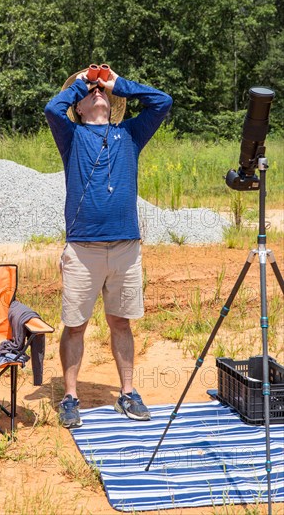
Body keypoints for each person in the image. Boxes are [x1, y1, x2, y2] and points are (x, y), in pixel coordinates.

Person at [45, 66, 172, 428]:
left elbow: (163, 102)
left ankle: (128, 393)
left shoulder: (130, 134)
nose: (97, 93)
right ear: (80, 109)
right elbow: (53, 109)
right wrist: (81, 83)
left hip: (125, 248)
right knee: (76, 325)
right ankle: (70, 396)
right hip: (83, 249)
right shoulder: (71, 135)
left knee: (120, 322)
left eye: (102, 92)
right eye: (90, 94)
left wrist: (119, 85)